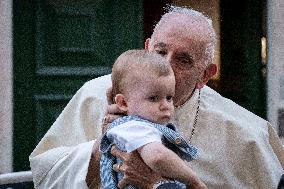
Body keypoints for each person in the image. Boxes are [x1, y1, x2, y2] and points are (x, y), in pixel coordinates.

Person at [29, 5, 284, 189]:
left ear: (205, 75)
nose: (166, 66)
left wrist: (158, 182)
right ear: (147, 47)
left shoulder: (247, 134)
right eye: (160, 51)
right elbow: (46, 175)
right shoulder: (94, 94)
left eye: (183, 60)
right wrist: (100, 149)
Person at [100, 49, 201, 189]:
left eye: (169, 97)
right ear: (123, 103)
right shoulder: (134, 127)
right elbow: (157, 156)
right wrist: (195, 182)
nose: (165, 106)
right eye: (153, 98)